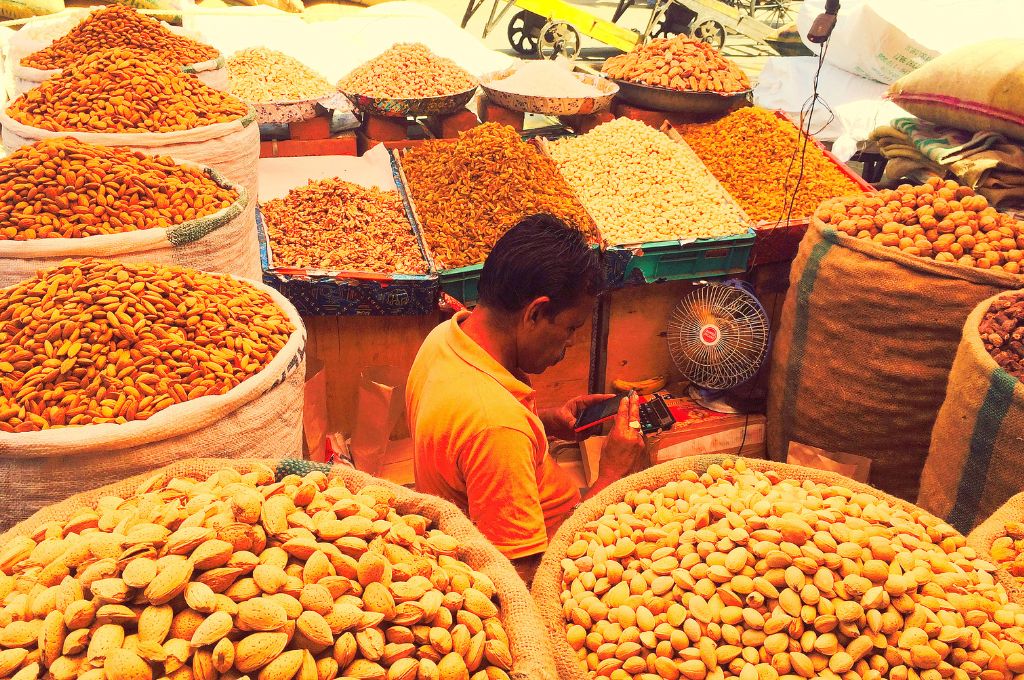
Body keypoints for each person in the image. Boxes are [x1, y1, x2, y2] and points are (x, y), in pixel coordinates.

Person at [406, 214, 647, 581]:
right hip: (546, 559)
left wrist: (543, 424)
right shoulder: (496, 427)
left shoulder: (447, 337)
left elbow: (469, 442)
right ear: (535, 312)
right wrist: (611, 475)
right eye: (570, 329)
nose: (569, 344)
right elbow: (521, 577)